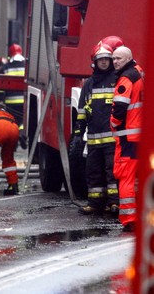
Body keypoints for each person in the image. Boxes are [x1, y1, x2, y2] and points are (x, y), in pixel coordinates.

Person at [70, 42, 119, 216]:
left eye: (107, 59)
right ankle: (95, 204)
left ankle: (114, 203)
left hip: (112, 139)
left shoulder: (117, 80)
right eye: (101, 60)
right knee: (93, 172)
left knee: (112, 171)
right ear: (95, 62)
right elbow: (82, 110)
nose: (104, 62)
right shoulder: (89, 84)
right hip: (93, 138)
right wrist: (78, 133)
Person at [110, 46, 143, 233]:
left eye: (119, 59)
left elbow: (119, 107)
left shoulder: (126, 78)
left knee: (126, 178)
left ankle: (129, 219)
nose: (115, 62)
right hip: (141, 136)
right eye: (113, 59)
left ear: (128, 58)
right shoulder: (139, 73)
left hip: (127, 137)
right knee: (138, 178)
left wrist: (113, 124)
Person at [2, 43, 26, 126]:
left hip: (10, 102)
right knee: (22, 123)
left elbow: (2, 86)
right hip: (24, 101)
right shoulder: (26, 66)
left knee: (11, 122)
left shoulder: (6, 67)